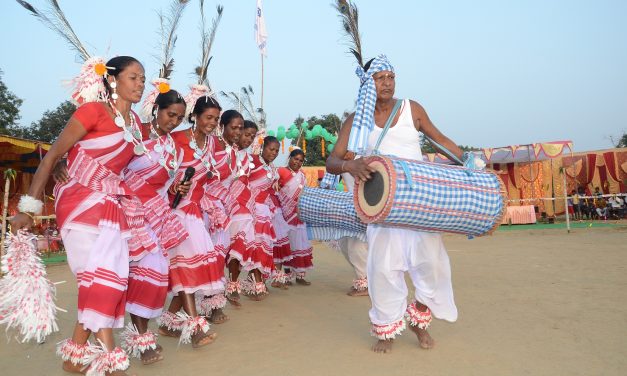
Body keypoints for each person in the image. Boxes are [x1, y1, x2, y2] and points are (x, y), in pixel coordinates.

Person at [326, 55, 471, 354]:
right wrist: (350, 167)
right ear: (367, 84)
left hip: (420, 205)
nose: (388, 83)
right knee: (383, 269)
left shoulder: (411, 109)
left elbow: (440, 140)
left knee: (432, 266)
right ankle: (386, 329)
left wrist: (471, 163)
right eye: (380, 78)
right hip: (382, 208)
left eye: (391, 76)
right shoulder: (355, 121)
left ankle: (420, 320)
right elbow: (332, 161)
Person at [11, 56, 146, 374]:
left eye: (143, 78)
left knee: (111, 283)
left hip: (111, 206)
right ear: (112, 80)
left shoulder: (136, 125)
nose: (141, 83)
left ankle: (74, 356)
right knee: (99, 281)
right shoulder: (91, 112)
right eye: (134, 77)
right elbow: (53, 155)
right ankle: (111, 359)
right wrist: (28, 210)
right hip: (78, 202)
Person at [120, 88, 189, 365]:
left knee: (153, 274)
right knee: (139, 272)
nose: (174, 121)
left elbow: (165, 186)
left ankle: (140, 335)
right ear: (156, 109)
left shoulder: (174, 147)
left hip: (157, 217)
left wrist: (176, 187)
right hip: (129, 213)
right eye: (170, 114)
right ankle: (139, 339)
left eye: (180, 118)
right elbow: (116, 167)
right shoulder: (134, 134)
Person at [157, 93, 223, 348]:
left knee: (190, 269)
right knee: (186, 269)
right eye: (208, 117)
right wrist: (174, 187)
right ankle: (195, 328)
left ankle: (168, 322)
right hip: (174, 212)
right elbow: (157, 174)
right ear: (194, 116)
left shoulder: (212, 145)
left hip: (195, 213)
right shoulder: (175, 139)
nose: (212, 123)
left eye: (216, 119)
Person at [242, 136, 281, 299]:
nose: (274, 153)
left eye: (277, 151)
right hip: (253, 211)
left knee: (264, 246)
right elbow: (242, 182)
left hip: (265, 212)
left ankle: (255, 281)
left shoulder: (272, 167)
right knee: (256, 246)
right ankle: (255, 283)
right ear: (263, 147)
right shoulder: (251, 161)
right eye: (271, 149)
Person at [278, 148, 314, 286]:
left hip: (298, 215)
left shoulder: (303, 176)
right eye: (295, 159)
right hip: (284, 214)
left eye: (300, 161)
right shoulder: (281, 172)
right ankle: (287, 275)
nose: (297, 162)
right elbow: (276, 189)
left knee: (300, 243)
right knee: (288, 243)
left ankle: (300, 275)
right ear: (290, 157)